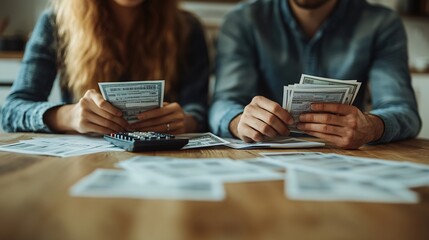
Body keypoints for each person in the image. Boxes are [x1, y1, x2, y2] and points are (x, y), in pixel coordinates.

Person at [209, 0, 421, 149]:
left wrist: (372, 127)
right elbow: (223, 104)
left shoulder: (381, 23)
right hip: (263, 157)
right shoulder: (242, 21)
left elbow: (404, 110)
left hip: (347, 155)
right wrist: (239, 122)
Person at [1, 0, 209, 135]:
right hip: (82, 161)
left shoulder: (187, 27)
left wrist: (185, 122)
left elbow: (198, 110)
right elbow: (11, 111)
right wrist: (68, 116)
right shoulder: (56, 22)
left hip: (164, 158)